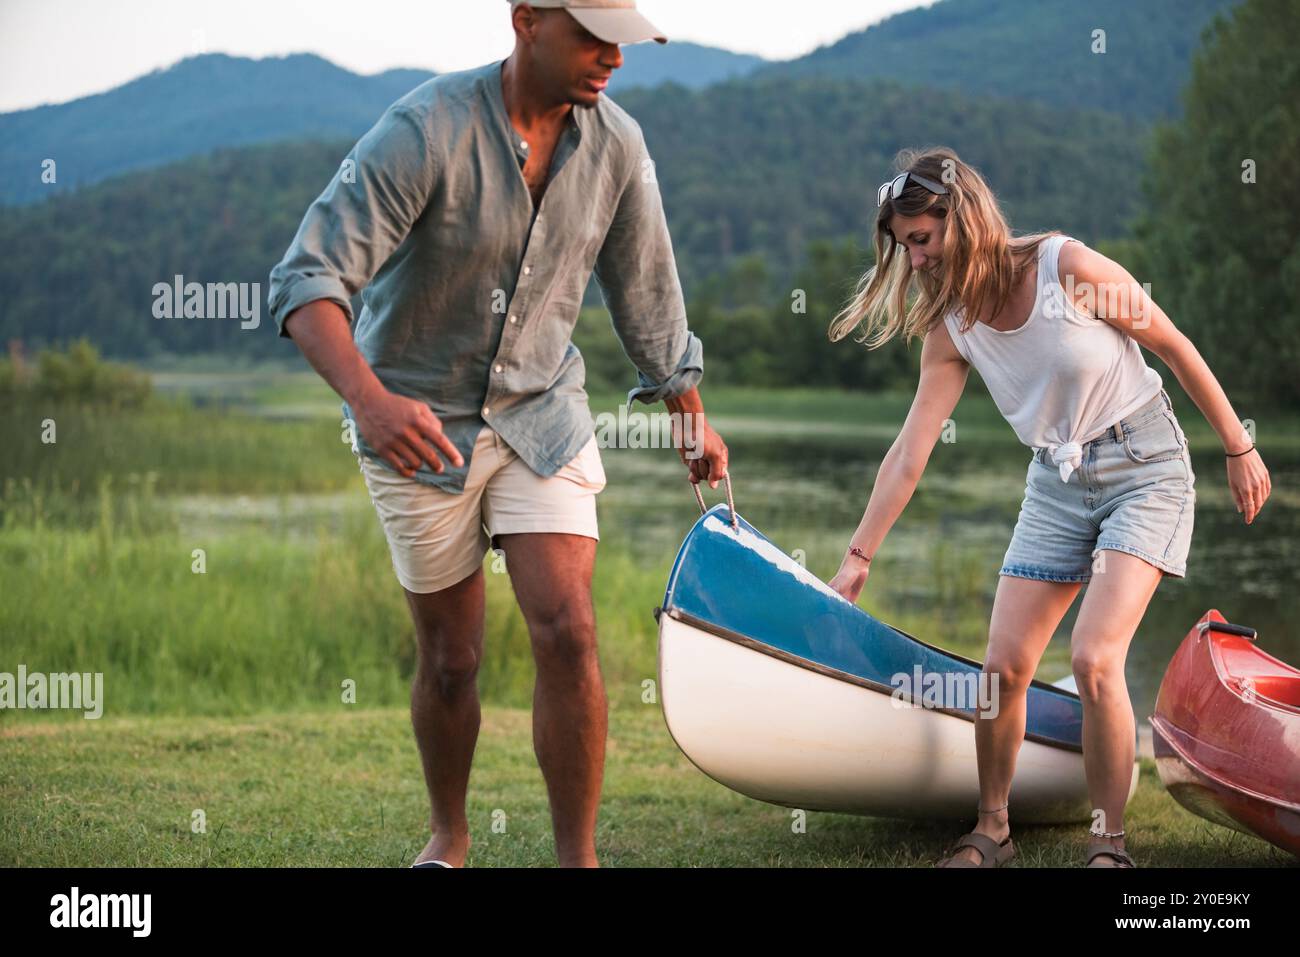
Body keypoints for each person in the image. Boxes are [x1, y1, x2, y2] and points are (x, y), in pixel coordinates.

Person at [268, 0, 728, 868]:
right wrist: (370, 402)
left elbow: (646, 289)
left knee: (568, 630)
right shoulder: (424, 130)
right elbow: (308, 279)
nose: (613, 60)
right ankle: (450, 836)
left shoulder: (619, 145)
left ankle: (577, 860)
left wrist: (689, 415)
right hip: (415, 425)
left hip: (541, 414)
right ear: (525, 20)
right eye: (593, 37)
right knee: (452, 657)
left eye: (621, 42)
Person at [825, 146, 1271, 868]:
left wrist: (1237, 446)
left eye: (922, 240)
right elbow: (911, 450)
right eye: (904, 246)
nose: (914, 262)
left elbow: (1173, 343)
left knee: (1095, 657)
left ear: (962, 219)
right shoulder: (952, 328)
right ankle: (992, 828)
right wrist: (856, 559)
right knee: (1002, 667)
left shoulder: (1069, 268)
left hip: (1146, 467)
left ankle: (1109, 840)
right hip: (1056, 482)